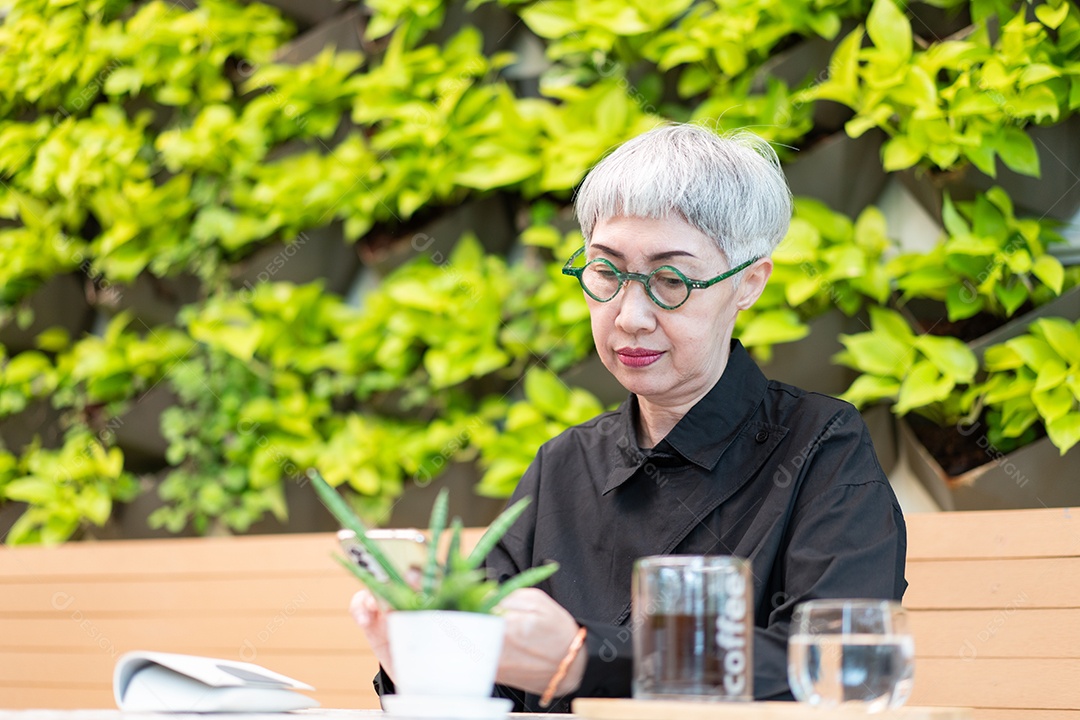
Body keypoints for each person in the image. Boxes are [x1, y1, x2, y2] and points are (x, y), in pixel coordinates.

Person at [351, 122, 907, 711]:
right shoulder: (565, 463)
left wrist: (585, 658)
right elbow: (494, 677)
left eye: (670, 279)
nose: (630, 315)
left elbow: (837, 661)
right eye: (607, 273)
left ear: (748, 284)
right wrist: (414, 655)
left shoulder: (820, 444)